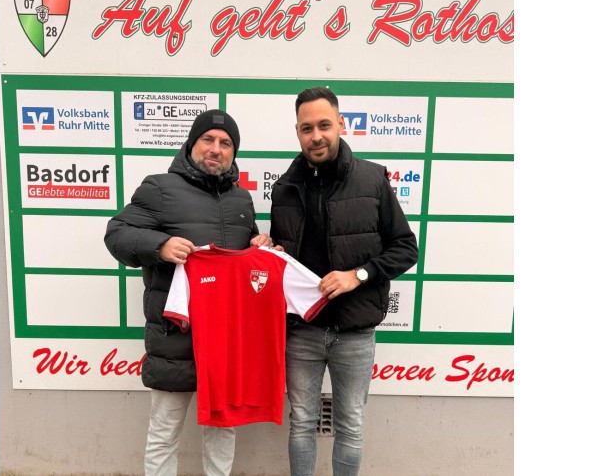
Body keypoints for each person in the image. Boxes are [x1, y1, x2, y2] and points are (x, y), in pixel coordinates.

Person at [104, 109, 272, 476]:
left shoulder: (241, 200)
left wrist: (260, 244)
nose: (216, 149)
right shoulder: (159, 188)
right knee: (164, 433)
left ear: (234, 152)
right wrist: (160, 245)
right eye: (208, 140)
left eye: (225, 143)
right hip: (174, 339)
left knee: (223, 430)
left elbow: (246, 260)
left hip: (226, 342)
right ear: (191, 144)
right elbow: (116, 235)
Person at [270, 87, 419, 475]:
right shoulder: (284, 188)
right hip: (301, 331)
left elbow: (406, 248)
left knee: (350, 426)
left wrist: (359, 275)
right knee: (301, 423)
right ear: (297, 132)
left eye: (324, 125)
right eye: (306, 128)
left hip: (355, 332)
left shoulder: (372, 179)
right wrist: (270, 249)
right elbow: (284, 255)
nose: (316, 136)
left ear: (340, 124)